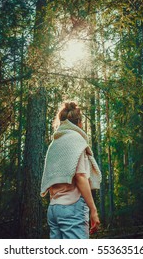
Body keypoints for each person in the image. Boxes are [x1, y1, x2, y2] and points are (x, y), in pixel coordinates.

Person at [40, 101, 102, 239]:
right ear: (79, 123)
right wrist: (93, 210)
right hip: (72, 208)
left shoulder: (54, 144)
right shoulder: (76, 140)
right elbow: (80, 176)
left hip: (53, 209)